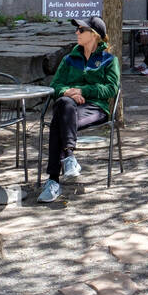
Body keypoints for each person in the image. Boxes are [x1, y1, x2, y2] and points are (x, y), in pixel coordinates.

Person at [39, 16, 120, 203]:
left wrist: (83, 90)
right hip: (69, 106)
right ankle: (68, 158)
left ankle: (53, 180)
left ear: (94, 35)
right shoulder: (69, 59)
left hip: (95, 108)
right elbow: (56, 85)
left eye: (81, 30)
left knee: (58, 122)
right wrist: (68, 92)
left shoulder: (109, 60)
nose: (77, 32)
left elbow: (111, 88)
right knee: (63, 104)